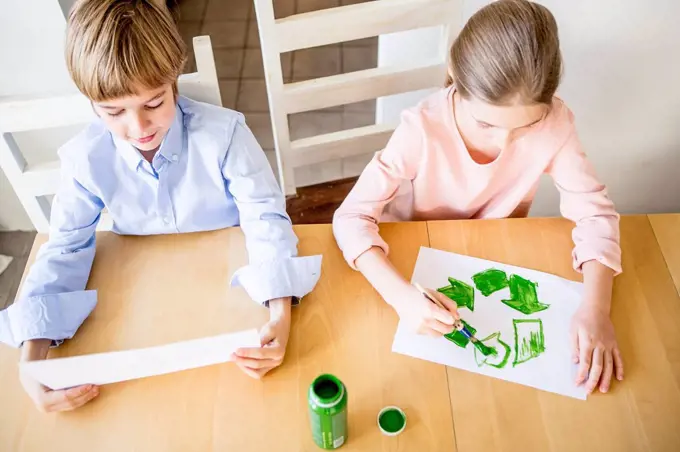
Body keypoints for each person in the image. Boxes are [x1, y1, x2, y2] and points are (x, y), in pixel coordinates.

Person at [0, 0, 320, 412]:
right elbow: (64, 248)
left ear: (174, 81)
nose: (139, 129)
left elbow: (264, 218)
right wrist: (33, 361)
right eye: (113, 111)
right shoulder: (86, 158)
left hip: (229, 293)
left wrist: (279, 313)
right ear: (92, 104)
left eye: (154, 103)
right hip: (139, 308)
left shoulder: (225, 136)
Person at [333, 0, 623, 395]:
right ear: (455, 78)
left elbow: (595, 214)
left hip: (496, 251)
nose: (504, 143)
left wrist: (595, 308)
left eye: (526, 126)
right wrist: (399, 296)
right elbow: (351, 218)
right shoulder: (422, 128)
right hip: (415, 247)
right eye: (485, 123)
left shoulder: (556, 125)